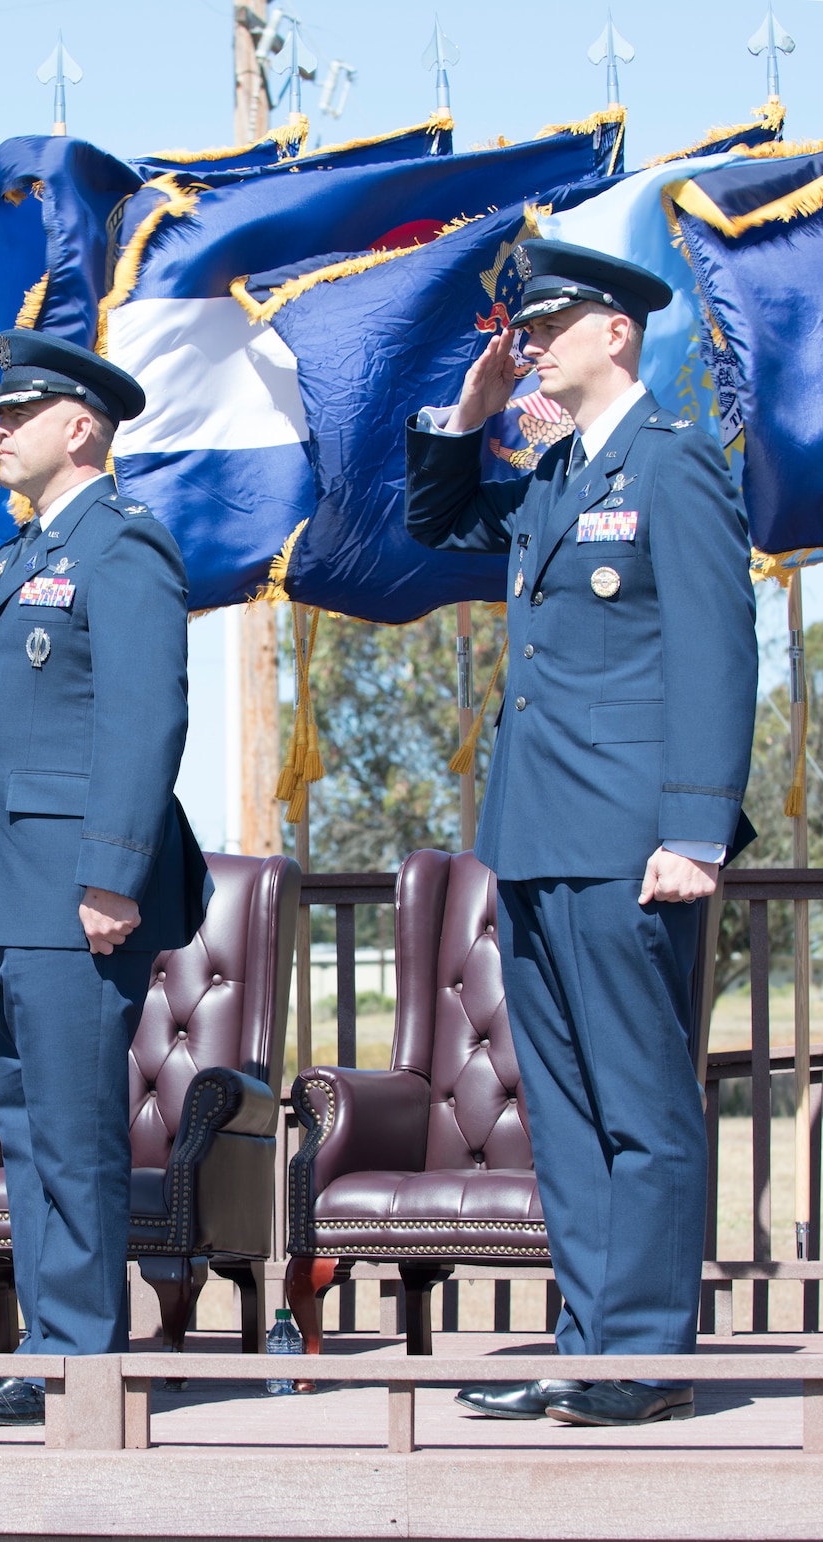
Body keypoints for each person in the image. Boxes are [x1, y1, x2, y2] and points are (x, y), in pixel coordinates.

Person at [406, 240, 756, 1427]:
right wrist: (470, 412)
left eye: (548, 325)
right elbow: (436, 516)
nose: (528, 344)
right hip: (536, 836)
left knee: (639, 1104)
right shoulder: (553, 478)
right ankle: (586, 1344)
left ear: (615, 332)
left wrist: (695, 831)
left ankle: (650, 1359)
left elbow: (716, 655)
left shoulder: (674, 468)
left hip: (628, 840)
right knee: (560, 1107)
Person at [0, 330, 210, 1426]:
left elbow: (143, 715)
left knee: (72, 1128)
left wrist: (111, 874)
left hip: (76, 889)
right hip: (6, 884)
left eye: (15, 417)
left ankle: (83, 1365)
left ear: (79, 428)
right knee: (27, 1124)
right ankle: (51, 1351)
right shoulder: (22, 554)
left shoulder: (119, 545)